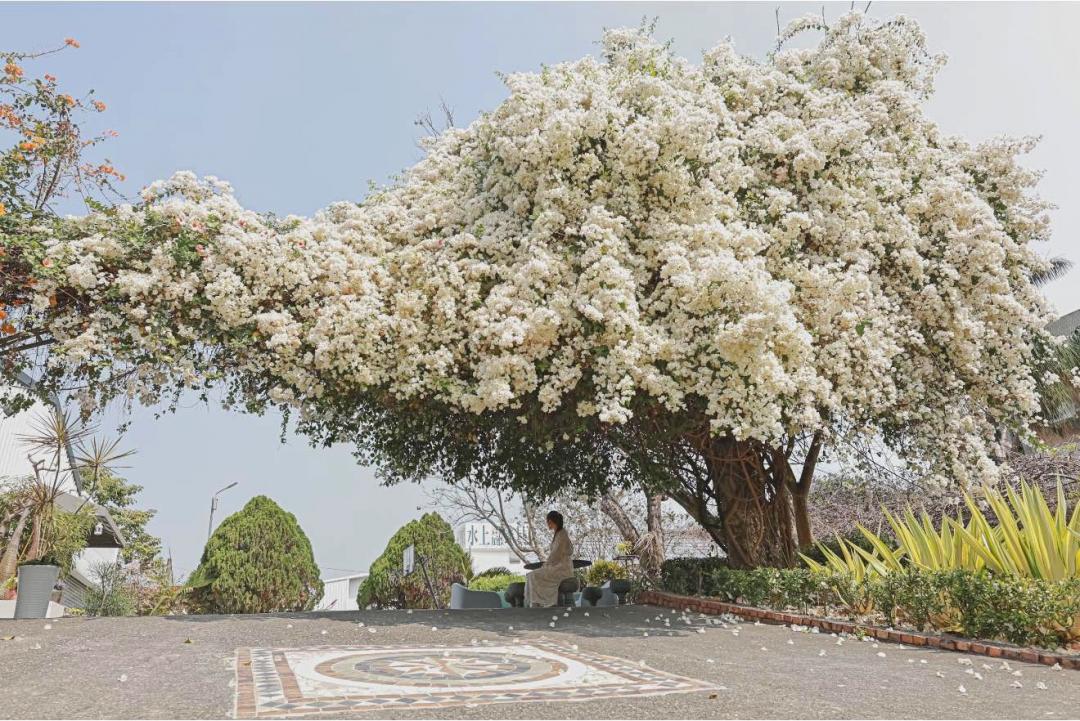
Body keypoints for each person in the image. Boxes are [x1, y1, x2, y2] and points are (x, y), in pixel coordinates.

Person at [524, 510, 574, 607]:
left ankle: (539, 602)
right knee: (531, 575)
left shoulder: (562, 534)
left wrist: (546, 565)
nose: (547, 524)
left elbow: (556, 554)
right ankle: (535, 602)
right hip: (557, 565)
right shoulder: (559, 533)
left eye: (548, 521)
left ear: (552, 521)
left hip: (562, 568)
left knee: (534, 575)